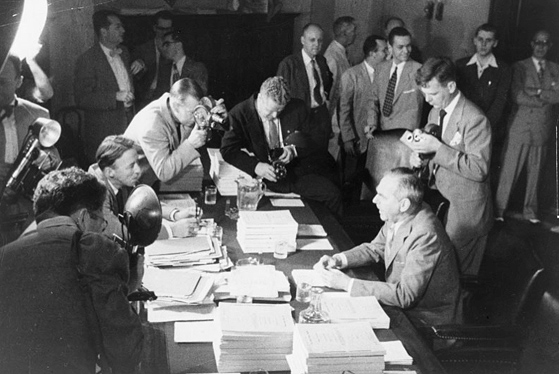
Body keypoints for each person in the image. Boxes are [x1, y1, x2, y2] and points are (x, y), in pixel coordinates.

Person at [0, 167, 143, 373]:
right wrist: (129, 288)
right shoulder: (96, 250)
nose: (102, 230)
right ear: (84, 218)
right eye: (101, 222)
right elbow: (126, 352)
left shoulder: (5, 256)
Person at [314, 168, 461, 328]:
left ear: (403, 204)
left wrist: (347, 284)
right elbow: (376, 248)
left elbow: (405, 295)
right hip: (399, 308)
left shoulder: (425, 235)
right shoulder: (403, 213)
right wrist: (339, 259)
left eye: (382, 196)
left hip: (425, 322)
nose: (374, 200)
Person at [409, 57, 493, 276]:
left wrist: (436, 149)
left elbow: (479, 168)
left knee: (455, 278)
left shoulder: (475, 119)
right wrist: (421, 157)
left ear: (452, 86)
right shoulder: (435, 112)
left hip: (466, 212)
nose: (428, 100)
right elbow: (436, 154)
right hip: (442, 201)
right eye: (424, 94)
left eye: (433, 94)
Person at [220, 76, 343, 216]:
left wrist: (294, 150)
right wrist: (256, 166)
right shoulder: (239, 114)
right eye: (270, 110)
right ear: (260, 98)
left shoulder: (298, 107)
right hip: (268, 177)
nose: (274, 115)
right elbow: (228, 150)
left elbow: (317, 136)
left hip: (300, 172)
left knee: (333, 195)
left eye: (279, 110)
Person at [495, 30, 559, 224]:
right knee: (509, 171)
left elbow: (558, 96)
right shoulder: (519, 67)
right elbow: (518, 95)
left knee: (536, 172)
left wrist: (536, 91)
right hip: (520, 127)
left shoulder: (556, 69)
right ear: (531, 44)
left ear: (550, 46)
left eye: (545, 43)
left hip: (543, 128)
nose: (540, 46)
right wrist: (545, 95)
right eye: (537, 42)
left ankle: (530, 212)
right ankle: (499, 210)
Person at [88, 135, 199, 238]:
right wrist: (172, 230)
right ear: (110, 172)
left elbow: (145, 204)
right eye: (131, 166)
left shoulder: (122, 179)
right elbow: (119, 232)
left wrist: (176, 214)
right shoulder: (97, 192)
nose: (138, 170)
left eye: (137, 163)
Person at [0, 54, 59, 244]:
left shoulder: (38, 114)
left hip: (26, 208)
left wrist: (46, 159)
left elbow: (54, 156)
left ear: (19, 82)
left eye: (2, 82)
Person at [124, 78, 225, 185]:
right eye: (193, 112)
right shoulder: (151, 125)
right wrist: (190, 145)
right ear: (176, 107)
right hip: (136, 179)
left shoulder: (177, 104)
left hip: (157, 172)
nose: (197, 117)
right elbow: (163, 172)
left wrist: (222, 120)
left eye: (199, 109)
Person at [74, 9, 135, 164]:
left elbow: (122, 80)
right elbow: (82, 99)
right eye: (117, 27)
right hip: (104, 132)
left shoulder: (125, 52)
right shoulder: (87, 60)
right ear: (104, 32)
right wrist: (114, 96)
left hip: (128, 124)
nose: (124, 30)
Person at [339, 35, 387, 186]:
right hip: (356, 140)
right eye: (384, 50)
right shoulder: (351, 75)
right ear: (372, 53)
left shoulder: (385, 75)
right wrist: (347, 138)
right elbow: (343, 109)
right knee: (351, 180)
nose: (388, 54)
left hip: (377, 140)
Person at [277, 23, 333, 151]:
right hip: (300, 122)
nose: (316, 44)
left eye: (319, 40)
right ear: (302, 40)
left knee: (320, 158)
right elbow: (280, 97)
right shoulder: (289, 64)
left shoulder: (321, 61)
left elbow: (328, 82)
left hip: (320, 120)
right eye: (312, 40)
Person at [456, 24, 511, 136]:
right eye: (480, 39)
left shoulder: (503, 70)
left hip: (487, 127)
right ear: (474, 41)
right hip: (461, 124)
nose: (483, 44)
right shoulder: (460, 65)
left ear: (495, 43)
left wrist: (483, 125)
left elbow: (499, 102)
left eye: (488, 40)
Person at [367, 27, 423, 134]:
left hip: (407, 136)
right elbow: (372, 100)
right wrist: (372, 123)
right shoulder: (381, 68)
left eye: (408, 46)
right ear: (389, 46)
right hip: (383, 133)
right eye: (400, 47)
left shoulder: (419, 70)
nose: (406, 51)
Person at [324, 16, 357, 161]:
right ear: (344, 33)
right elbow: (330, 93)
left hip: (340, 118)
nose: (355, 34)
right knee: (332, 157)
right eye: (353, 31)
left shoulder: (341, 53)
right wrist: (328, 124)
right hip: (334, 121)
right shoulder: (332, 57)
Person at [130, 10, 174, 110]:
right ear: (154, 28)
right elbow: (132, 78)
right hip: (145, 99)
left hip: (168, 100)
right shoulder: (142, 49)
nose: (165, 32)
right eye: (161, 29)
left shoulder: (175, 48)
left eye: (168, 29)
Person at [159, 30, 208, 95]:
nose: (163, 48)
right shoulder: (164, 70)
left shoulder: (197, 68)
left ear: (178, 46)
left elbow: (199, 95)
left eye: (167, 44)